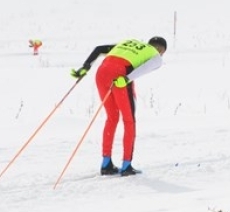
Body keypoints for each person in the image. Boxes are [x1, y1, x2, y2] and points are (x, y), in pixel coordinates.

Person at [70, 36, 167, 176]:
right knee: (129, 121)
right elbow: (145, 68)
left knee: (112, 118)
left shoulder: (128, 43)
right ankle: (126, 166)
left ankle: (106, 164)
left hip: (101, 73)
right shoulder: (156, 56)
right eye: (162, 52)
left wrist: (86, 66)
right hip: (119, 77)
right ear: (160, 50)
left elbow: (99, 49)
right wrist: (126, 79)